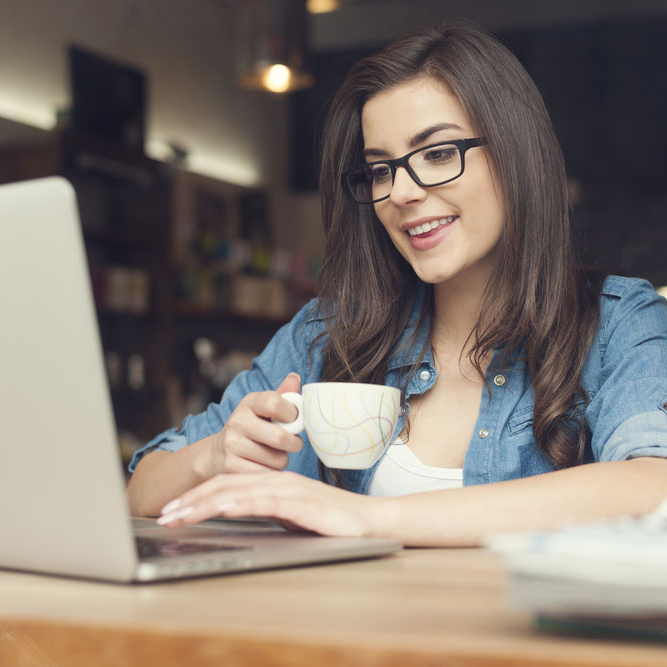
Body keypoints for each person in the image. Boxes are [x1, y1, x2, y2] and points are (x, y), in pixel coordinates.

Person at [127, 19, 667, 546]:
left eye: (436, 154)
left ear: (516, 154)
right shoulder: (327, 332)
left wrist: (366, 518)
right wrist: (213, 456)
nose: (401, 193)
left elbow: (654, 484)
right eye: (381, 170)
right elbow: (140, 487)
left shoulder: (618, 324)